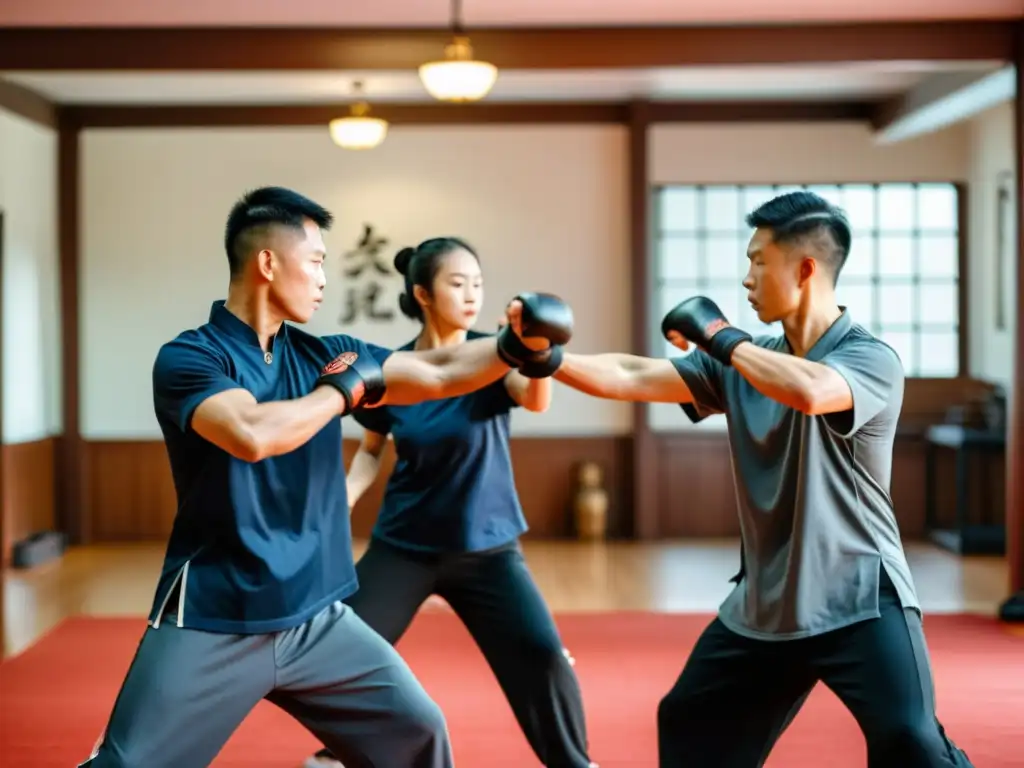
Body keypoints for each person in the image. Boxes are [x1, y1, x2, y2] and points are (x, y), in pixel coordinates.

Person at [77, 186, 574, 768]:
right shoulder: (191, 358)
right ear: (267, 262)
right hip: (218, 615)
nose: (322, 278)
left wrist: (518, 347)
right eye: (314, 261)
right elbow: (253, 434)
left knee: (418, 734)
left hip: (317, 617)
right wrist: (342, 391)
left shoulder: (327, 353)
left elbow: (438, 371)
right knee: (128, 763)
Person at [551, 191, 974, 767]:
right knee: (690, 718)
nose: (746, 277)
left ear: (805, 269)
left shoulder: (869, 358)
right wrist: (546, 361)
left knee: (911, 741)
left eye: (757, 261)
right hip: (769, 600)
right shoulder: (746, 361)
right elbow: (631, 374)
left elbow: (811, 391)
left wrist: (723, 338)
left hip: (860, 596)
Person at [304, 237, 596, 768]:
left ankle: (575, 764)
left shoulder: (494, 353)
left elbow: (534, 397)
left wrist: (535, 346)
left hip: (487, 546)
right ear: (422, 293)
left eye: (478, 285)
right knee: (341, 653)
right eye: (457, 284)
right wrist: (343, 498)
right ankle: (335, 756)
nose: (471, 295)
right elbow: (372, 450)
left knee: (543, 655)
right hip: (406, 545)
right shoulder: (393, 368)